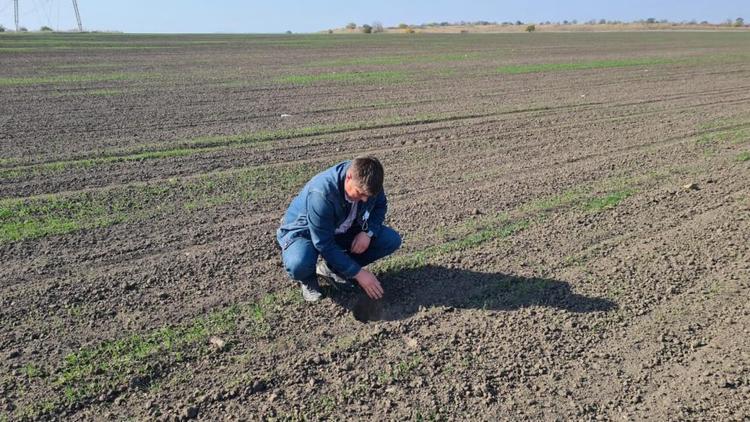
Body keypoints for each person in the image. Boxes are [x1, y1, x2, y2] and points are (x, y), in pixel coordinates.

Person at [276, 156, 402, 302]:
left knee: (390, 240)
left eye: (368, 195)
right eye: (360, 193)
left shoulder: (370, 181)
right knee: (299, 263)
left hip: (343, 227)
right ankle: (308, 279)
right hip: (306, 232)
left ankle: (332, 270)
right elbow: (323, 243)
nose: (365, 199)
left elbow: (380, 207)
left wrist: (367, 232)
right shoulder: (322, 193)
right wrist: (358, 273)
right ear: (349, 177)